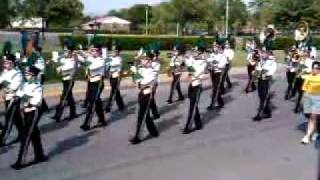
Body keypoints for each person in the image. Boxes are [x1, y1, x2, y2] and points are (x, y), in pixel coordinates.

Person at [12, 66, 47, 170]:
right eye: (26, 73)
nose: (26, 75)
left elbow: (36, 101)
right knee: (34, 134)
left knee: (26, 136)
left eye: (28, 74)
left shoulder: (37, 86)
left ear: (33, 75)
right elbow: (19, 94)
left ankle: (20, 161)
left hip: (33, 111)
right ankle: (40, 155)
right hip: (26, 111)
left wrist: (22, 96)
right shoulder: (25, 84)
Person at [129, 51, 159, 144]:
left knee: (141, 116)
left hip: (147, 95)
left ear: (150, 61)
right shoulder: (141, 69)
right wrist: (134, 73)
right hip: (141, 94)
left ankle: (137, 137)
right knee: (146, 116)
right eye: (142, 59)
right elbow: (135, 82)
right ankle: (154, 132)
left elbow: (143, 83)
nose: (142, 60)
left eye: (144, 59)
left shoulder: (153, 72)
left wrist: (136, 73)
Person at [80, 47, 107, 131]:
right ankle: (102, 120)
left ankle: (87, 124)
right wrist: (77, 56)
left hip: (98, 82)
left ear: (99, 51)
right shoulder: (90, 58)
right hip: (91, 81)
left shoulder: (101, 60)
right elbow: (85, 60)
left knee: (92, 104)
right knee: (96, 101)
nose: (92, 52)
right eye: (92, 50)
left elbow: (91, 67)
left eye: (94, 50)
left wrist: (83, 61)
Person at [0, 54, 24, 147]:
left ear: (13, 63)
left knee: (9, 119)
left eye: (8, 63)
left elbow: (13, 88)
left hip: (14, 98)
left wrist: (4, 85)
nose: (6, 64)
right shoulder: (5, 71)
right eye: (5, 62)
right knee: (16, 118)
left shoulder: (17, 73)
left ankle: (2, 140)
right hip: (7, 97)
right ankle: (23, 134)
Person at [183, 43, 207, 134]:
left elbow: (195, 73)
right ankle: (198, 123)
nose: (194, 53)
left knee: (192, 107)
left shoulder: (203, 62)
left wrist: (189, 64)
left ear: (201, 53)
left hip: (197, 85)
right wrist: (185, 58)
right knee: (194, 105)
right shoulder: (193, 59)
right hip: (191, 85)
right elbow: (187, 65)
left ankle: (188, 126)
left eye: (196, 51)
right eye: (194, 51)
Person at [51, 46, 79, 122]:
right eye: (64, 51)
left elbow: (70, 69)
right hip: (64, 80)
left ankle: (58, 115)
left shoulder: (74, 60)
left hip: (70, 80)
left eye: (66, 51)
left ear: (71, 52)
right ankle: (73, 113)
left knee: (64, 97)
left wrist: (61, 67)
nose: (65, 52)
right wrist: (56, 63)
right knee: (69, 97)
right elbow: (58, 69)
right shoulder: (63, 59)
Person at [253, 50, 277, 121]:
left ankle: (259, 114)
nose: (262, 55)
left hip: (266, 80)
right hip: (260, 80)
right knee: (261, 96)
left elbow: (271, 71)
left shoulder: (271, 62)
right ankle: (268, 111)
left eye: (263, 53)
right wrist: (255, 73)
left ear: (267, 54)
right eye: (261, 53)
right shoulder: (259, 62)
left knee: (263, 96)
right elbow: (257, 70)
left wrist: (263, 71)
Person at [300, 61, 320, 144]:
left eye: (317, 68)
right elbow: (304, 89)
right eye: (313, 68)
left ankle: (307, 136)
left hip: (318, 99)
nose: (314, 70)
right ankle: (315, 132)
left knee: (313, 117)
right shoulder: (308, 77)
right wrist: (302, 100)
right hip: (308, 98)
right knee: (311, 117)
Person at [105, 44, 125, 113]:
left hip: (117, 77)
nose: (113, 52)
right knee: (116, 92)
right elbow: (107, 67)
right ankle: (121, 105)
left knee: (113, 91)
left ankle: (108, 106)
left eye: (115, 51)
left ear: (118, 52)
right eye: (112, 50)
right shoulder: (110, 57)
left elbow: (117, 68)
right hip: (111, 77)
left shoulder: (119, 59)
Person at [207, 45, 228, 110]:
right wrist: (209, 63)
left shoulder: (223, 56)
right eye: (215, 48)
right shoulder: (213, 55)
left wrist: (215, 64)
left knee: (216, 89)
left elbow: (222, 65)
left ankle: (212, 104)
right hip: (212, 72)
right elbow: (209, 61)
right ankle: (221, 102)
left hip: (218, 73)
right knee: (215, 88)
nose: (216, 49)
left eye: (218, 48)